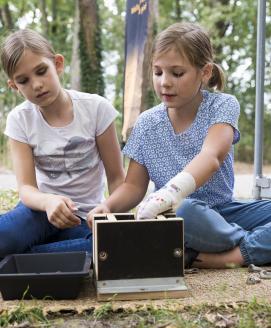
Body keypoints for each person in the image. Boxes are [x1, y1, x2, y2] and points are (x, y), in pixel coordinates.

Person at [88, 22, 271, 269]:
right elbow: (133, 186)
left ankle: (222, 256)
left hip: (225, 212)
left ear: (205, 73)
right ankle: (249, 247)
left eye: (177, 73)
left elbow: (212, 156)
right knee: (186, 210)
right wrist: (107, 206)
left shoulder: (223, 105)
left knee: (188, 208)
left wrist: (169, 191)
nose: (165, 82)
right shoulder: (146, 123)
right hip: (178, 217)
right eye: (158, 72)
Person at [0, 29, 125, 258]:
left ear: (57, 64)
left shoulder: (96, 109)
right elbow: (26, 188)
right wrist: (48, 202)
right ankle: (29, 255)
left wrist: (112, 216)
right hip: (38, 213)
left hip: (83, 219)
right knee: (5, 235)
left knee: (107, 247)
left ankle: (20, 258)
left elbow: (116, 177)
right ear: (14, 86)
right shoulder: (19, 119)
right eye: (24, 80)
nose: (36, 85)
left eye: (41, 71)